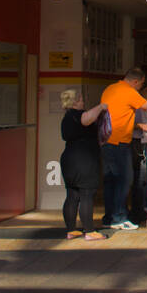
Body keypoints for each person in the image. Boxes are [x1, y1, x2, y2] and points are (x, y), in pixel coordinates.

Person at [100, 68, 147, 231]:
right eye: (141, 85)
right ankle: (119, 218)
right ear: (136, 82)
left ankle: (108, 217)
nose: (140, 88)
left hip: (106, 141)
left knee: (110, 181)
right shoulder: (129, 91)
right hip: (120, 142)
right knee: (125, 180)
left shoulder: (110, 89)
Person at [59, 89, 107, 241]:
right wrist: (101, 107)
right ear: (74, 102)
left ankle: (71, 230)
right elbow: (86, 119)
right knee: (87, 194)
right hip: (83, 160)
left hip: (69, 158)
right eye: (80, 99)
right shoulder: (76, 115)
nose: (83, 102)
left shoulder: (66, 118)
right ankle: (90, 231)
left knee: (72, 195)